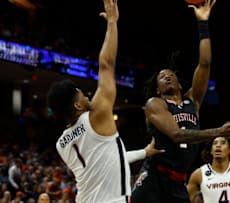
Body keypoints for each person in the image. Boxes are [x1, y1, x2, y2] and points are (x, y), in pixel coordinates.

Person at [130, 0, 230, 202]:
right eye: (161, 77)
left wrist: (203, 24)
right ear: (158, 89)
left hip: (178, 182)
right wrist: (219, 132)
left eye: (170, 75)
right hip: (154, 178)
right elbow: (177, 135)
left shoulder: (192, 101)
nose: (167, 77)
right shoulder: (155, 104)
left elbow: (205, 63)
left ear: (180, 84)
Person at [46, 0, 163, 202]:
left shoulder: (61, 144)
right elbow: (106, 65)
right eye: (81, 94)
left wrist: (145, 152)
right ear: (77, 105)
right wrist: (112, 22)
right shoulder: (96, 117)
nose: (87, 95)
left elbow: (110, 161)